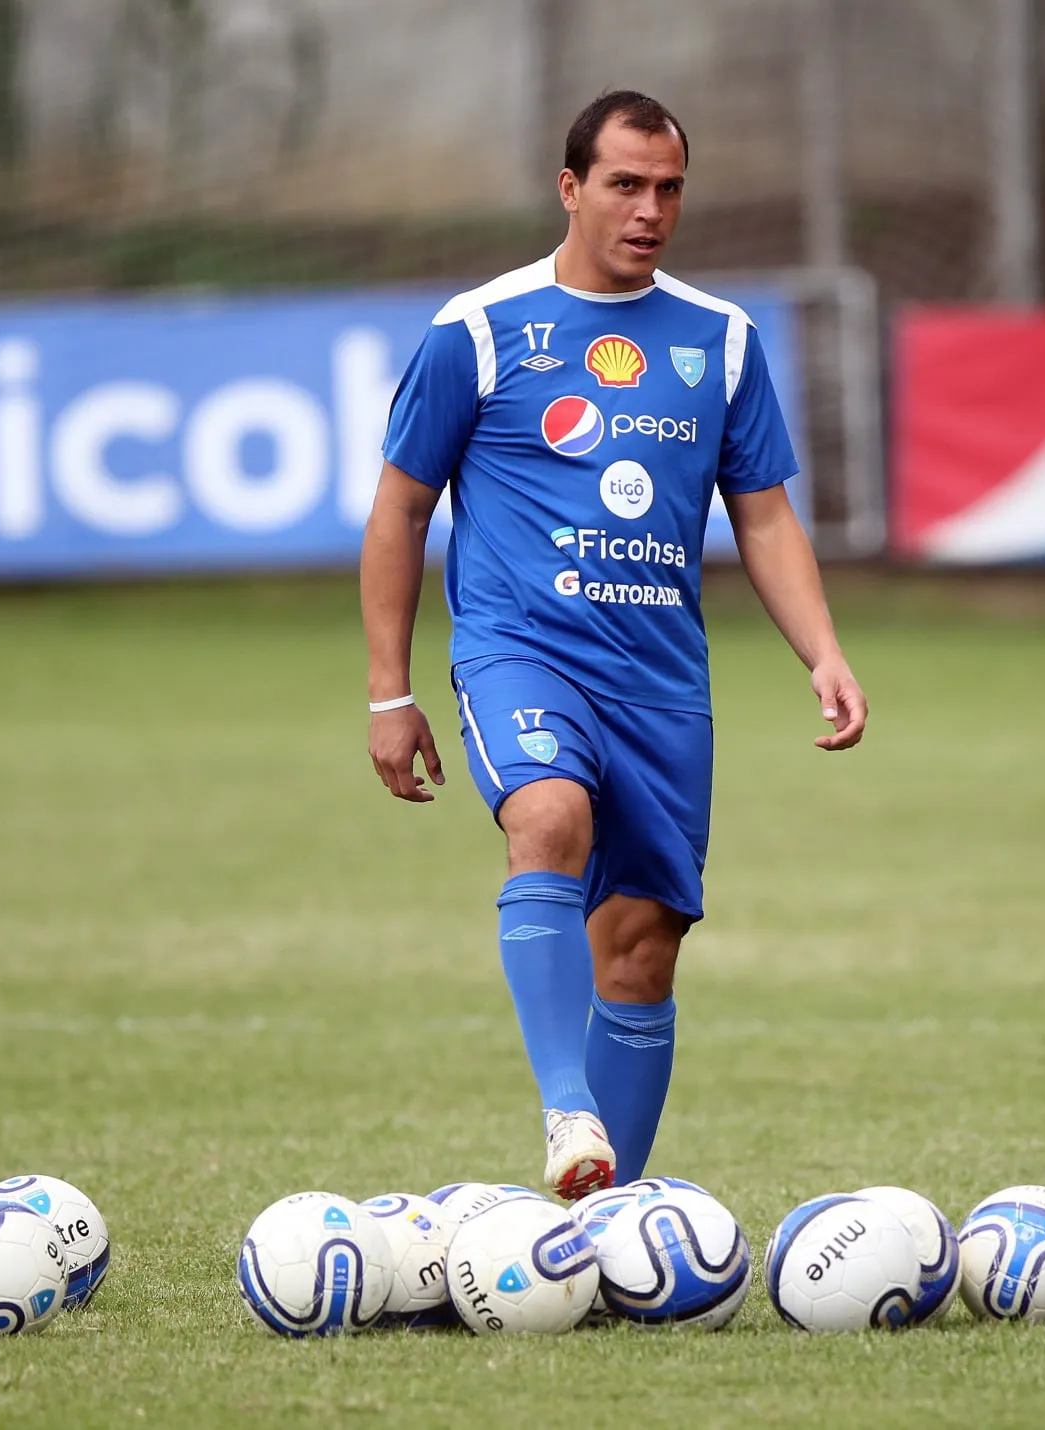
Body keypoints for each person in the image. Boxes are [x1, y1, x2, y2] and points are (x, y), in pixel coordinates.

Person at [359, 89, 865, 1199]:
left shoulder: (720, 339)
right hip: (519, 648)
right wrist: (388, 693)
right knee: (548, 815)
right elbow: (398, 510)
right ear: (570, 187)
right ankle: (565, 1105)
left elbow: (765, 512)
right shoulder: (479, 331)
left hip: (661, 682)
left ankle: (608, 1223)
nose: (649, 210)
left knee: (639, 947)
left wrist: (820, 651)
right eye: (626, 185)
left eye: (669, 188)